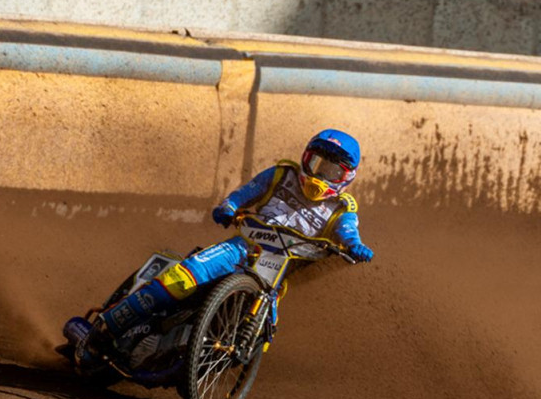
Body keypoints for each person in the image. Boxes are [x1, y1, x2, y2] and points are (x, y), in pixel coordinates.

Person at [85, 129, 374, 348]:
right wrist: (229, 207)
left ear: (346, 176)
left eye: (331, 170)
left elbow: (348, 231)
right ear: (306, 158)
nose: (320, 174)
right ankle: (106, 327)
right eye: (317, 163)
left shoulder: (342, 208)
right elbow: (245, 193)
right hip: (243, 247)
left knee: (260, 336)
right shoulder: (281, 174)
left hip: (276, 272)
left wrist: (355, 246)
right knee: (181, 278)